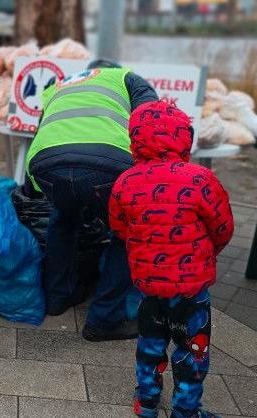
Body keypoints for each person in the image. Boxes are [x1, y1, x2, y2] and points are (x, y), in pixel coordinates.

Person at [109, 101, 234, 418]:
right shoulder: (201, 179)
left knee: (150, 344)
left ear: (135, 140)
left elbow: (119, 227)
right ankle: (186, 410)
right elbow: (222, 227)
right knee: (193, 350)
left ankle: (148, 402)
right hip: (192, 292)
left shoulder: (125, 182)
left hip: (149, 287)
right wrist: (206, 254)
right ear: (185, 137)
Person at [25, 59, 159, 342]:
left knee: (63, 219)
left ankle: (57, 298)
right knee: (125, 234)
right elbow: (153, 122)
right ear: (112, 68)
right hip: (107, 164)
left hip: (46, 164)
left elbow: (44, 129)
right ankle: (104, 320)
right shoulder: (127, 77)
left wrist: (31, 188)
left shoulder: (58, 85)